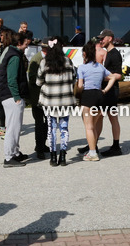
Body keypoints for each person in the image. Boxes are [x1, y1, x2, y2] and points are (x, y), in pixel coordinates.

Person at [35, 38, 77, 166]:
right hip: (65, 100)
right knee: (64, 128)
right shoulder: (68, 61)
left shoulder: (44, 63)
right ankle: (63, 156)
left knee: (51, 129)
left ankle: (53, 157)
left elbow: (38, 82)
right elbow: (74, 79)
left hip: (50, 101)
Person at [76, 40, 120, 161]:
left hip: (88, 96)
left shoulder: (82, 68)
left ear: (85, 54)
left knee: (89, 127)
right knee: (94, 126)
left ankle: (92, 152)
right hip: (100, 96)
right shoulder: (100, 67)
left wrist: (81, 86)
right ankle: (93, 149)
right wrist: (105, 90)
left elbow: (80, 86)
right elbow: (112, 77)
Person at [0, 30, 30, 167]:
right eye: (25, 43)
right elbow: (11, 79)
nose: (27, 46)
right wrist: (17, 97)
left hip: (8, 95)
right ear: (19, 43)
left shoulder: (12, 53)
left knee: (15, 126)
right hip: (11, 96)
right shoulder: (15, 57)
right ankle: (9, 157)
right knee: (13, 128)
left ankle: (15, 153)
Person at [97, 29, 125, 157]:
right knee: (99, 117)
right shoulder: (108, 53)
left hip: (112, 90)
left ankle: (116, 146)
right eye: (100, 38)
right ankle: (93, 142)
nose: (100, 40)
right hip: (106, 90)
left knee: (112, 118)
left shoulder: (115, 54)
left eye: (103, 38)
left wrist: (103, 77)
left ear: (110, 38)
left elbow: (119, 75)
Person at [27, 39, 50, 159]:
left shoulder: (49, 58)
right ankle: (39, 147)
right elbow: (31, 78)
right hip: (37, 97)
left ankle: (42, 144)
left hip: (46, 97)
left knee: (47, 122)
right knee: (39, 123)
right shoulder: (36, 59)